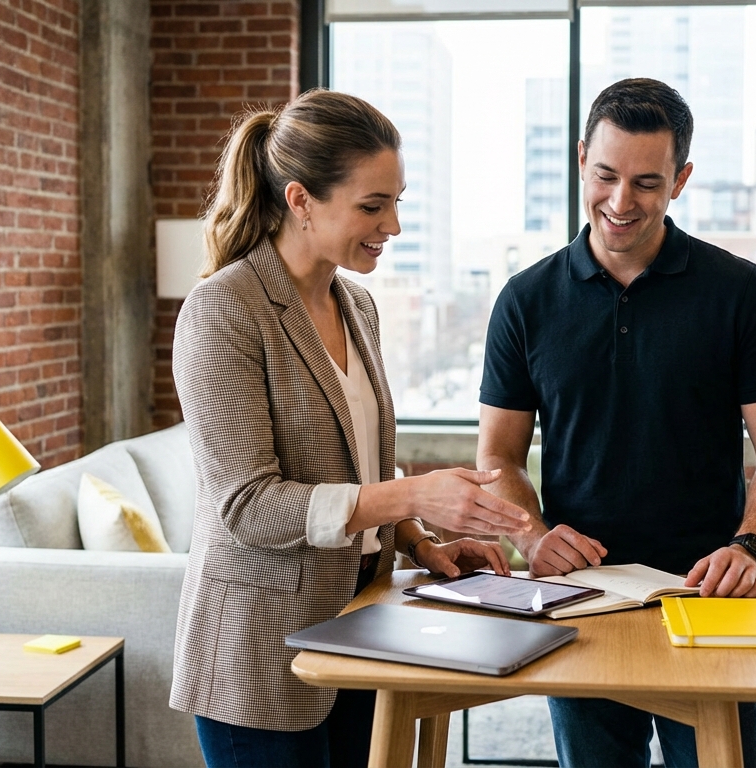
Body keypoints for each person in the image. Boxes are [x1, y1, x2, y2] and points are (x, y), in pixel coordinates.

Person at [169, 90, 532, 768]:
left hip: (362, 627)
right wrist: (416, 497)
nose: (392, 224)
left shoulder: (357, 305)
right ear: (301, 199)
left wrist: (421, 545)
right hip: (259, 652)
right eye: (372, 205)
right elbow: (248, 506)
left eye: (398, 201)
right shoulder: (222, 312)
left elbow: (358, 467)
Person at [476, 78, 756, 768]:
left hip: (709, 593)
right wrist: (533, 536)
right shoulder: (525, 299)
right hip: (581, 599)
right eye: (605, 176)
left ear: (681, 179)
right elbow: (499, 458)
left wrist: (751, 545)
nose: (621, 202)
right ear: (580, 161)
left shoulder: (737, 290)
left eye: (647, 182)